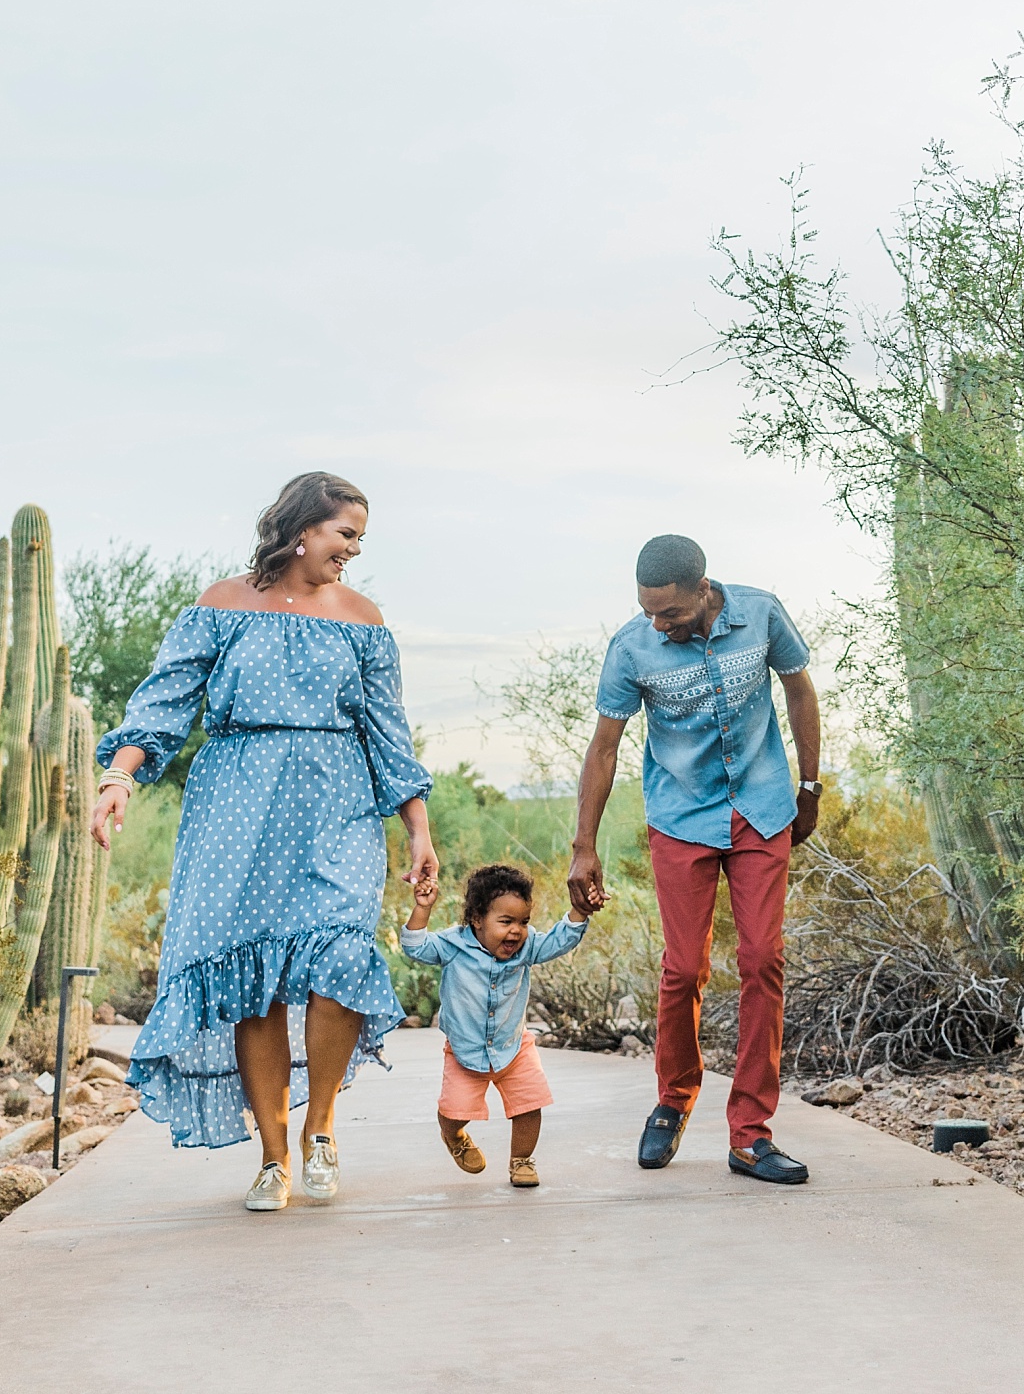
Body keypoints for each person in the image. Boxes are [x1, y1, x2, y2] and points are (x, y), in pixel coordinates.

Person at [90, 471, 437, 1212]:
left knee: (341, 955)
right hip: (235, 806)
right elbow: (166, 698)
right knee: (252, 980)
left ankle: (322, 1131)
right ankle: (273, 1158)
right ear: (302, 527)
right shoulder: (220, 606)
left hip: (335, 798)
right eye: (347, 534)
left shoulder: (364, 619)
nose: (353, 551)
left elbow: (388, 733)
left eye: (359, 540)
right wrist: (119, 776)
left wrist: (418, 829)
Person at [568, 534, 821, 1186]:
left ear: (703, 591)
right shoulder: (632, 647)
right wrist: (583, 847)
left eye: (670, 614)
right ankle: (674, 1098)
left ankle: (750, 1135)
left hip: (762, 811)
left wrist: (810, 786)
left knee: (763, 959)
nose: (659, 624)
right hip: (681, 819)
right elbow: (603, 749)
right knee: (684, 968)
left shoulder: (762, 614)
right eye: (649, 611)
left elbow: (799, 692)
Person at [401, 863, 595, 1188]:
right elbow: (415, 947)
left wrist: (578, 911)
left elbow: (558, 941)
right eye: (505, 922)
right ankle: (453, 1134)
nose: (517, 931)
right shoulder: (454, 946)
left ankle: (521, 1160)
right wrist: (423, 908)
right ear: (477, 919)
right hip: (465, 1053)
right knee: (454, 1112)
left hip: (514, 1047)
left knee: (530, 1105)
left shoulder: (527, 946)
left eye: (523, 922)